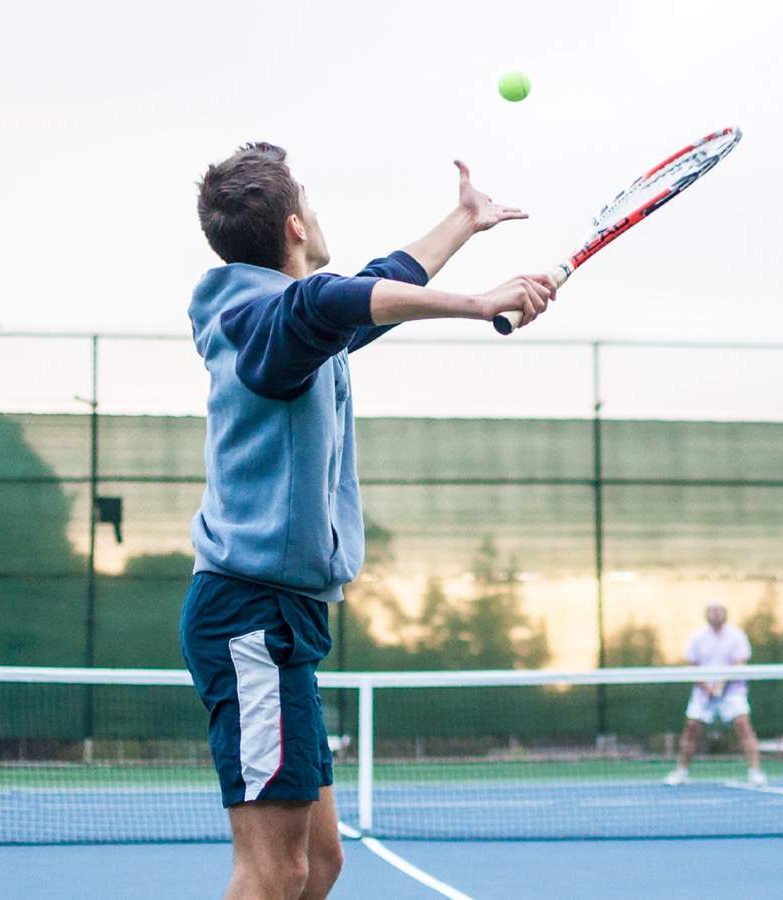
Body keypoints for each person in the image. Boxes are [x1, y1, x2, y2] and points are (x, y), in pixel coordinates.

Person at [179, 142, 555, 900]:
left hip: (283, 616)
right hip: (250, 616)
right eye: (310, 203)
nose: (317, 216)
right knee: (272, 871)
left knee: (319, 866)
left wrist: (463, 223)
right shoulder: (266, 323)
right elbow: (332, 299)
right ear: (294, 225)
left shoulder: (285, 322)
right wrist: (480, 303)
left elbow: (369, 288)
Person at [663, 603, 766, 787]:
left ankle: (756, 772)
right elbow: (692, 667)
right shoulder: (697, 637)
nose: (716, 614)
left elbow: (739, 664)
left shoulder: (737, 636)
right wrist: (707, 687)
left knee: (743, 725)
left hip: (733, 690)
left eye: (719, 611)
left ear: (725, 614)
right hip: (703, 692)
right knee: (691, 727)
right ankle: (681, 771)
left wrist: (721, 684)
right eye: (712, 611)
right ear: (706, 615)